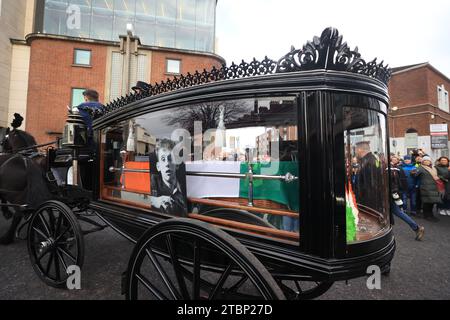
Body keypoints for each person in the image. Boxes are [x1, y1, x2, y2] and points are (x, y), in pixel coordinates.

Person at [389, 155, 424, 240]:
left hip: (388, 195)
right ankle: (416, 228)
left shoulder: (392, 169)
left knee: (396, 212)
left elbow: (396, 183)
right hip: (391, 195)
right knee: (397, 212)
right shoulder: (395, 168)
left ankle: (417, 228)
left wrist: (397, 194)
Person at [150, 139, 187, 216]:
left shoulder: (184, 184)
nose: (167, 163)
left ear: (176, 164)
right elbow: (140, 197)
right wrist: (155, 201)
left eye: (170, 159)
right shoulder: (153, 181)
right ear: (158, 166)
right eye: (163, 159)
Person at [354, 141, 383, 211]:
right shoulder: (369, 160)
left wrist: (366, 206)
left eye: (355, 150)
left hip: (368, 204)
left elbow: (371, 186)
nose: (355, 152)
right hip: (369, 202)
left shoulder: (369, 162)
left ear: (360, 150)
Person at [412, 155, 441, 222]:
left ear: (430, 161)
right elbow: (414, 174)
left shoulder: (434, 168)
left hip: (434, 187)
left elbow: (437, 176)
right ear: (422, 162)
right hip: (425, 187)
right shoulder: (421, 168)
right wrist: (413, 171)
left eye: (428, 160)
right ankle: (427, 215)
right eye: (424, 160)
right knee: (427, 202)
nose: (426, 162)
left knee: (432, 202)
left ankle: (431, 214)